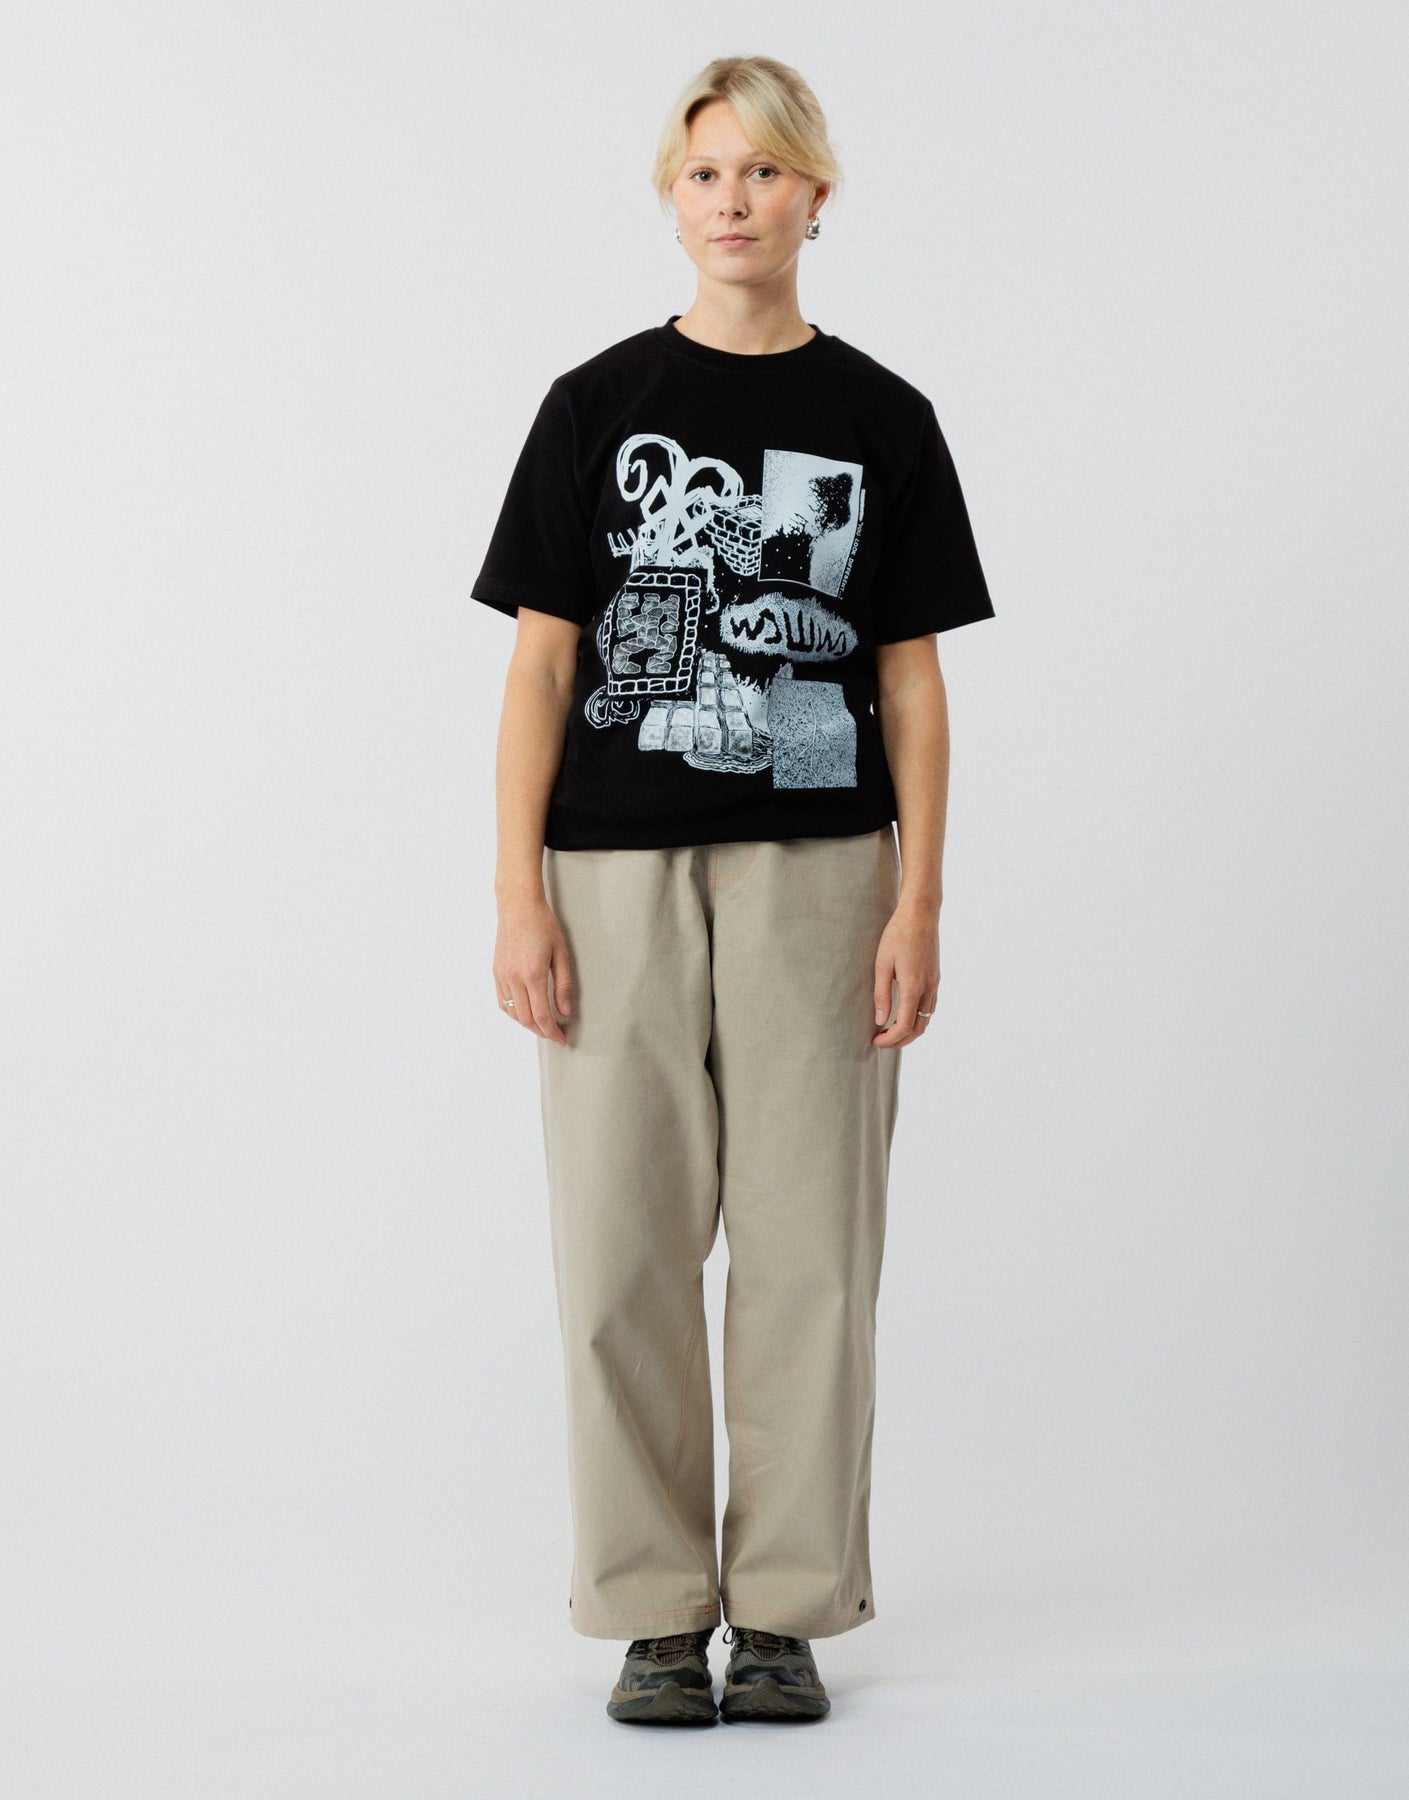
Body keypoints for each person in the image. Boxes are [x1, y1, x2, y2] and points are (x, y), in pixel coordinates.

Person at [469, 54, 995, 1727]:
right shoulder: (591, 406)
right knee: (619, 1248)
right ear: (670, 197)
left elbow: (909, 682)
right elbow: (541, 671)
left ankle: (780, 1611)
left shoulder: (882, 419)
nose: (734, 200)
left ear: (816, 197)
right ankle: (650, 1609)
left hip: (822, 873)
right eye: (706, 172)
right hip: (609, 878)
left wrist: (918, 902)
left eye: (765, 172)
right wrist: (517, 894)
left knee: (809, 1250)